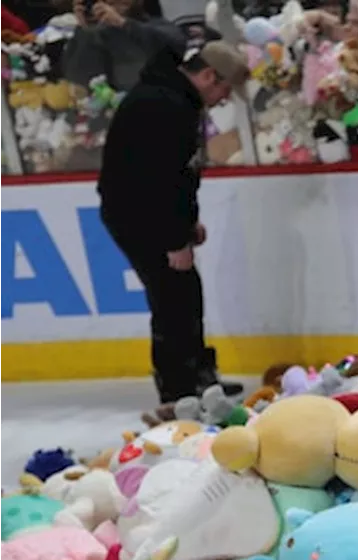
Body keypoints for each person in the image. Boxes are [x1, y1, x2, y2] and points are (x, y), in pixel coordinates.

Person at [98, 41, 247, 403]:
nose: (224, 99)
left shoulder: (174, 98)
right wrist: (174, 239)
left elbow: (180, 176)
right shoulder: (165, 104)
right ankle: (179, 388)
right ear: (208, 75)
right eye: (224, 89)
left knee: (184, 292)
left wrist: (187, 224)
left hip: (147, 212)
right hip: (137, 216)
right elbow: (158, 180)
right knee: (171, 297)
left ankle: (197, 376)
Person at [62, 0, 186, 91]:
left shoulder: (157, 26)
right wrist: (85, 30)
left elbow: (175, 47)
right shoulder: (96, 35)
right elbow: (77, 78)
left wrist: (123, 23)